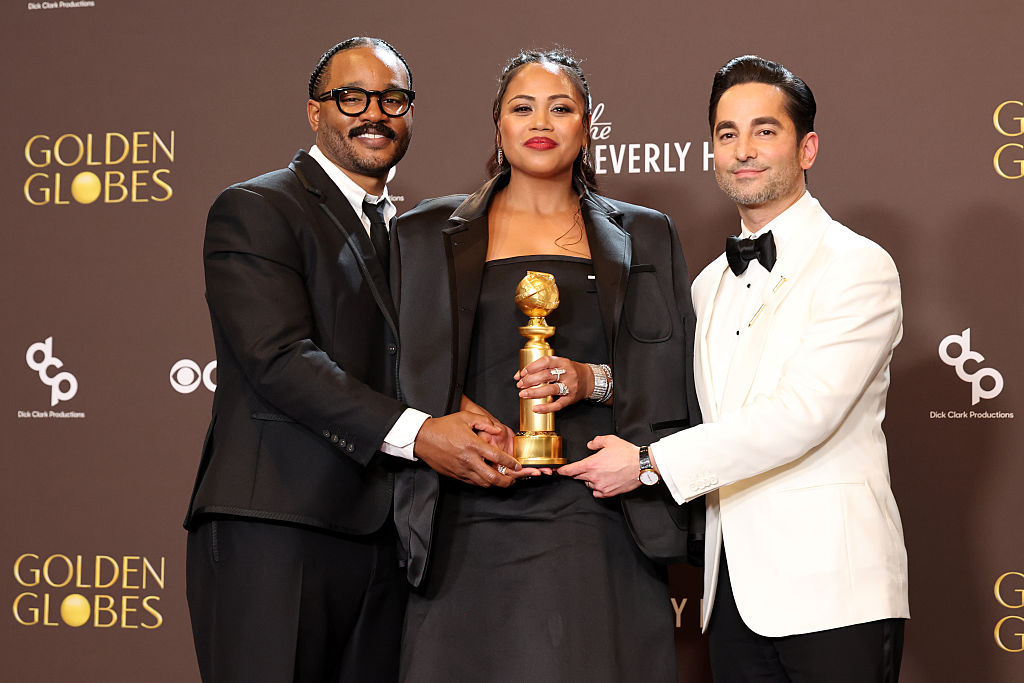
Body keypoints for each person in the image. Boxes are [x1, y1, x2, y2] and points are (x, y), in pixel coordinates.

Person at [183, 37, 521, 683]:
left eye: (393, 99)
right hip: (277, 531)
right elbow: (281, 360)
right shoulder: (257, 208)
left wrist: (462, 413)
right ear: (315, 113)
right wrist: (423, 433)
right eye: (352, 97)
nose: (375, 113)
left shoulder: (415, 232)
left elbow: (408, 358)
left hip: (388, 541)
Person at [563, 55, 909, 681]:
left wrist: (647, 464)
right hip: (732, 599)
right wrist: (594, 380)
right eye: (727, 134)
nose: (743, 149)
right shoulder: (707, 284)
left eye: (764, 130)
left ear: (807, 148)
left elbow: (802, 415)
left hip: (836, 593)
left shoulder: (859, 266)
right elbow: (676, 384)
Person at [392, 49, 703, 683]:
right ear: (498, 127)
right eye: (522, 107)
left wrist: (594, 378)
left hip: (596, 514)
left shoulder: (645, 234)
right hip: (464, 510)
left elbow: (672, 371)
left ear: (587, 127)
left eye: (561, 108)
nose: (542, 121)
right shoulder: (423, 233)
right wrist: (456, 415)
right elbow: (389, 363)